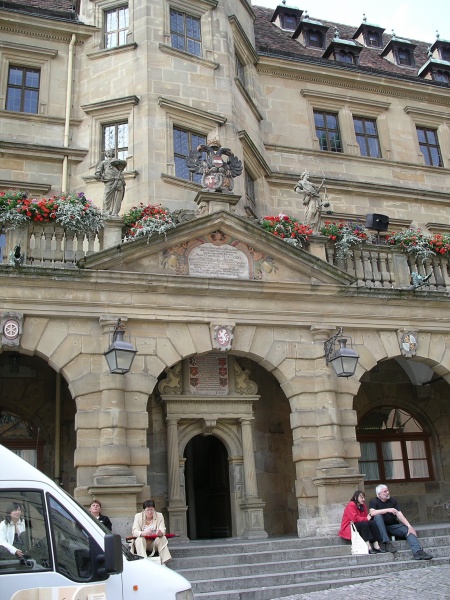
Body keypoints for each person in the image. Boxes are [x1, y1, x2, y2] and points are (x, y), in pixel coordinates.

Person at [369, 484, 432, 560]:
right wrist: (388, 510)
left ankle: (418, 552)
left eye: (387, 490)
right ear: (378, 494)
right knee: (378, 516)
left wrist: (409, 526)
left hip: (393, 526)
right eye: (384, 491)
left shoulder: (393, 500)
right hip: (380, 528)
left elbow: (399, 514)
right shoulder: (374, 502)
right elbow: (372, 513)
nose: (387, 492)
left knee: (409, 531)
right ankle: (386, 543)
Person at [131, 499, 171, 564]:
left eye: (151, 510)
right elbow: (134, 531)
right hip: (142, 543)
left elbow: (163, 529)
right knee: (140, 539)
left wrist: (160, 533)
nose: (150, 512)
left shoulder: (159, 515)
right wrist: (144, 533)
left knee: (162, 538)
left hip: (154, 543)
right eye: (148, 510)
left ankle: (164, 560)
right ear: (144, 510)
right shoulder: (138, 516)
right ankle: (144, 562)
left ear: (154, 509)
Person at [94, 149, 127, 215]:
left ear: (113, 153)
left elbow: (123, 164)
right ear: (105, 154)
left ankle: (115, 212)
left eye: (110, 152)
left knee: (118, 196)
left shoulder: (116, 162)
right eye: (107, 152)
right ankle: (106, 211)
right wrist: (98, 175)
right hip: (109, 180)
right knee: (107, 195)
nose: (108, 153)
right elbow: (98, 171)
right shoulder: (103, 162)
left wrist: (118, 162)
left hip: (118, 179)